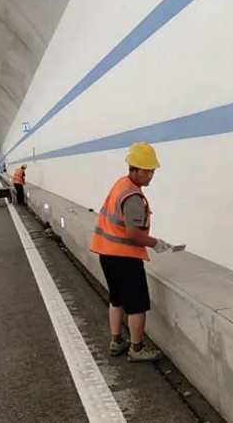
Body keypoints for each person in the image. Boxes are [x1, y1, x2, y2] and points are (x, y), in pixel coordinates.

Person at [89, 142, 173, 362]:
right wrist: (156, 243)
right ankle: (137, 349)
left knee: (116, 299)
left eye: (152, 171)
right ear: (133, 169)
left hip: (107, 253)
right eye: (146, 171)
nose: (150, 176)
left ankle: (116, 341)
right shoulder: (133, 197)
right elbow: (133, 234)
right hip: (124, 258)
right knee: (137, 305)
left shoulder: (121, 184)